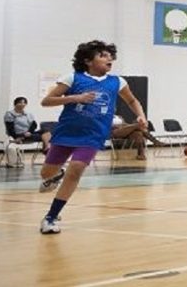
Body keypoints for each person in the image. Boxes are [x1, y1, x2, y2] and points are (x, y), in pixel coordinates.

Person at [38, 40, 147, 234]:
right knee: (46, 173)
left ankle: (51, 217)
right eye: (102, 55)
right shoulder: (72, 78)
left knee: (76, 169)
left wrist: (141, 115)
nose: (109, 59)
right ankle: (56, 175)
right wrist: (75, 98)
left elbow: (132, 100)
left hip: (93, 135)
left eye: (110, 56)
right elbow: (46, 101)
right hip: (67, 132)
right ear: (88, 61)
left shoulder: (117, 82)